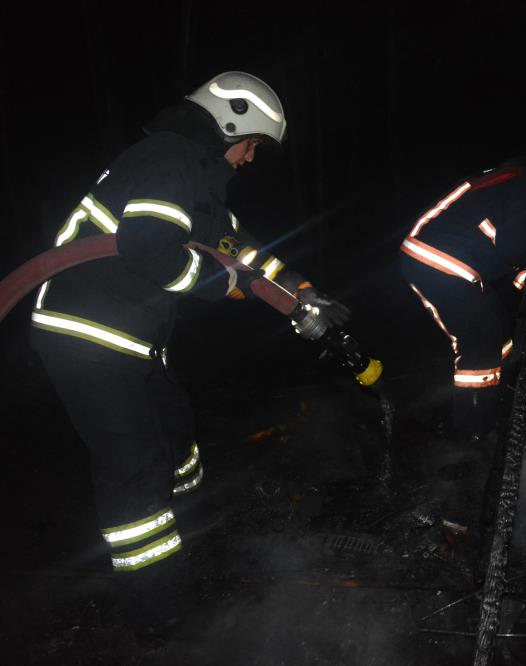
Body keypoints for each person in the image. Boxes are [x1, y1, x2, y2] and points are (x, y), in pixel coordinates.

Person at [28, 71, 349, 627]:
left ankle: (188, 536)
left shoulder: (195, 182)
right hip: (85, 332)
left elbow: (239, 249)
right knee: (136, 465)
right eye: (252, 145)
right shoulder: (169, 158)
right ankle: (157, 610)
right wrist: (223, 286)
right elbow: (150, 250)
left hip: (133, 338)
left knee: (177, 435)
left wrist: (300, 292)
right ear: (230, 124)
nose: (249, 159)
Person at [399, 145, 526, 441]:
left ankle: (486, 416)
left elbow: (516, 264)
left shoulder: (520, 184)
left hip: (451, 261)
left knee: (499, 335)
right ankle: (472, 432)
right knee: (483, 337)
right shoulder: (525, 185)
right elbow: (515, 250)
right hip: (439, 257)